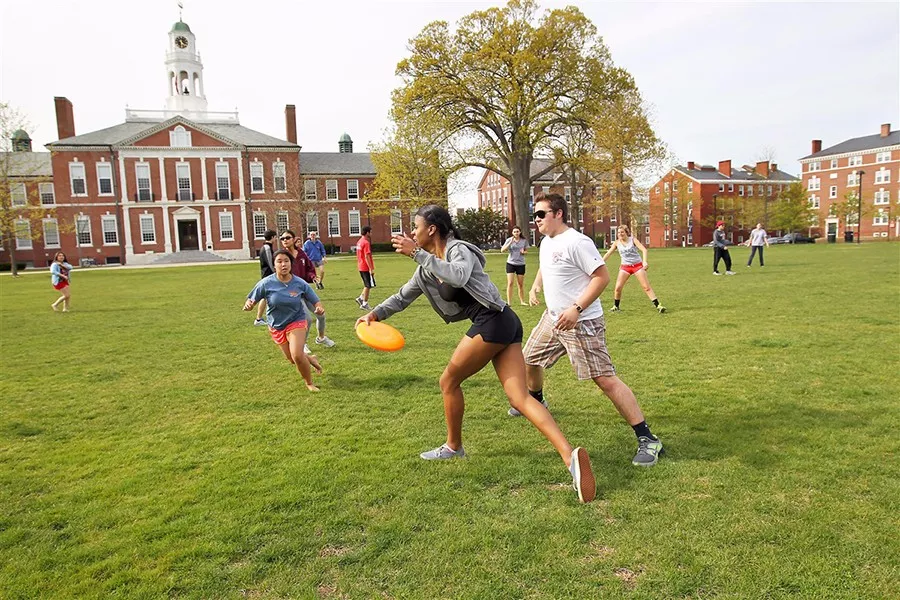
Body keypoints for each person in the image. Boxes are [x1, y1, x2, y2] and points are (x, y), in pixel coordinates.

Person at [356, 205, 596, 503]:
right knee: (519, 399)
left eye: (415, 226)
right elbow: (403, 296)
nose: (412, 232)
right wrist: (375, 315)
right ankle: (569, 458)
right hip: (503, 322)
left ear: (432, 229)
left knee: (448, 382)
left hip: (494, 321)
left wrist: (415, 253)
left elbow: (457, 277)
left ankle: (453, 446)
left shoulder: (459, 251)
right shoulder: (426, 270)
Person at [517, 193, 663, 467]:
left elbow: (602, 277)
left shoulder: (577, 242)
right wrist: (537, 285)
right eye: (534, 215)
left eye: (540, 214)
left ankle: (648, 438)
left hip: (582, 323)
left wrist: (576, 309)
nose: (535, 220)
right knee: (529, 358)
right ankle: (537, 401)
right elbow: (546, 267)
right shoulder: (548, 242)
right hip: (553, 319)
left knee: (605, 379)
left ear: (558, 213)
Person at [244, 250, 324, 392]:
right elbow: (251, 300)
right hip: (276, 325)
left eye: (286, 261)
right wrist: (249, 305)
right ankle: (311, 359)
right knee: (293, 359)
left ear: (291, 264)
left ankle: (309, 383)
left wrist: (319, 309)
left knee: (297, 355)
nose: (283, 264)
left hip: (297, 321)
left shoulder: (299, 283)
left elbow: (316, 301)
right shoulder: (266, 283)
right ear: (274, 265)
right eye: (279, 261)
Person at [280, 230, 336, 351]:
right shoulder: (282, 256)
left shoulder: (301, 253)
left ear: (293, 239)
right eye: (282, 238)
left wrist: (313, 277)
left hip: (304, 289)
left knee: (321, 314)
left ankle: (321, 338)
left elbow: (309, 269)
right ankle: (302, 344)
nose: (284, 240)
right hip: (292, 293)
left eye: (287, 238)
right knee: (307, 319)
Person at [602, 225, 666, 314]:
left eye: (622, 232)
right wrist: (601, 262)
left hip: (637, 266)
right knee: (618, 288)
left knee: (646, 287)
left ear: (626, 232)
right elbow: (608, 253)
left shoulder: (633, 240)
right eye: (619, 232)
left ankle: (658, 305)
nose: (620, 234)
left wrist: (644, 262)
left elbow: (644, 250)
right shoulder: (617, 243)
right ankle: (616, 306)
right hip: (625, 267)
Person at [254, 230, 277, 326]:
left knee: (267, 297)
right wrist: (276, 272)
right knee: (265, 297)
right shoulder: (267, 248)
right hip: (268, 276)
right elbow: (270, 263)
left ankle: (262, 318)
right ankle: (258, 319)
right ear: (272, 237)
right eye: (275, 237)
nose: (276, 239)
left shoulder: (266, 247)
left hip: (267, 275)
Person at [501, 226, 529, 306]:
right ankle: (509, 302)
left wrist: (524, 252)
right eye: (514, 232)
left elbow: (526, 251)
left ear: (520, 232)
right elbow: (502, 250)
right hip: (511, 263)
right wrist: (510, 243)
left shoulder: (524, 241)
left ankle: (522, 301)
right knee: (510, 283)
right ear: (512, 233)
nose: (516, 233)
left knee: (520, 284)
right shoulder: (509, 240)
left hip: (520, 264)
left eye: (517, 231)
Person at [355, 225, 375, 310]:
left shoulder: (359, 241)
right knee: (368, 285)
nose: (371, 233)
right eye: (370, 232)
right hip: (365, 266)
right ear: (367, 233)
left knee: (366, 284)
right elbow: (367, 256)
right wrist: (371, 268)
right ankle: (364, 303)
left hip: (360, 265)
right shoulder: (366, 243)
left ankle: (360, 298)